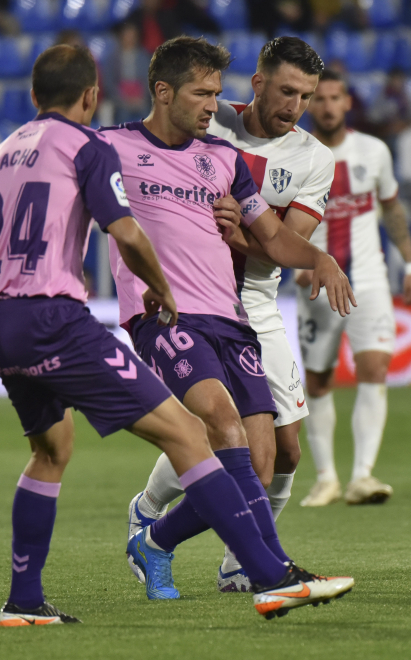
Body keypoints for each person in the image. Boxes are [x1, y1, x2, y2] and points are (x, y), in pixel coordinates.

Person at [0, 43, 354, 625]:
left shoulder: (3, 155)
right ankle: (268, 575)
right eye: (202, 93)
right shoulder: (98, 145)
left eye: (213, 94)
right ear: (93, 96)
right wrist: (160, 287)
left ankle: (27, 601)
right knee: (197, 433)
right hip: (100, 319)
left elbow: (273, 238)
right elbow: (124, 232)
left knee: (54, 452)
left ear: (32, 97)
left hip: (20, 322)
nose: (211, 105)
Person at [99, 35, 355, 599]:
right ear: (259, 84)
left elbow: (275, 239)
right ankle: (269, 571)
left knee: (270, 458)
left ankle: (159, 539)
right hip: (168, 310)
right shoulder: (137, 141)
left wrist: (321, 258)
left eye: (306, 96)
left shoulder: (241, 158)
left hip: (245, 306)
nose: (296, 105)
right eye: (286, 91)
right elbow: (44, 186)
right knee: (221, 424)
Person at [297, 70, 411, 507]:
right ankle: (326, 476)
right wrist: (290, 260)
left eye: (335, 97)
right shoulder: (294, 153)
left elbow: (392, 209)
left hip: (368, 280)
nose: (328, 106)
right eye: (319, 99)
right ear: (308, 104)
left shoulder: (374, 151)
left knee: (375, 368)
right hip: (315, 283)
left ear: (348, 102)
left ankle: (362, 477)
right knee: (318, 378)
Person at [103, 22, 152, 124]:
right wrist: (123, 99)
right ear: (121, 37)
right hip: (121, 98)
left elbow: (149, 80)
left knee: (146, 112)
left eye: (132, 36)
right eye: (127, 36)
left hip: (140, 98)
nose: (130, 39)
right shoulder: (112, 58)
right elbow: (109, 83)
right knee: (122, 114)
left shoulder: (144, 57)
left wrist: (141, 97)